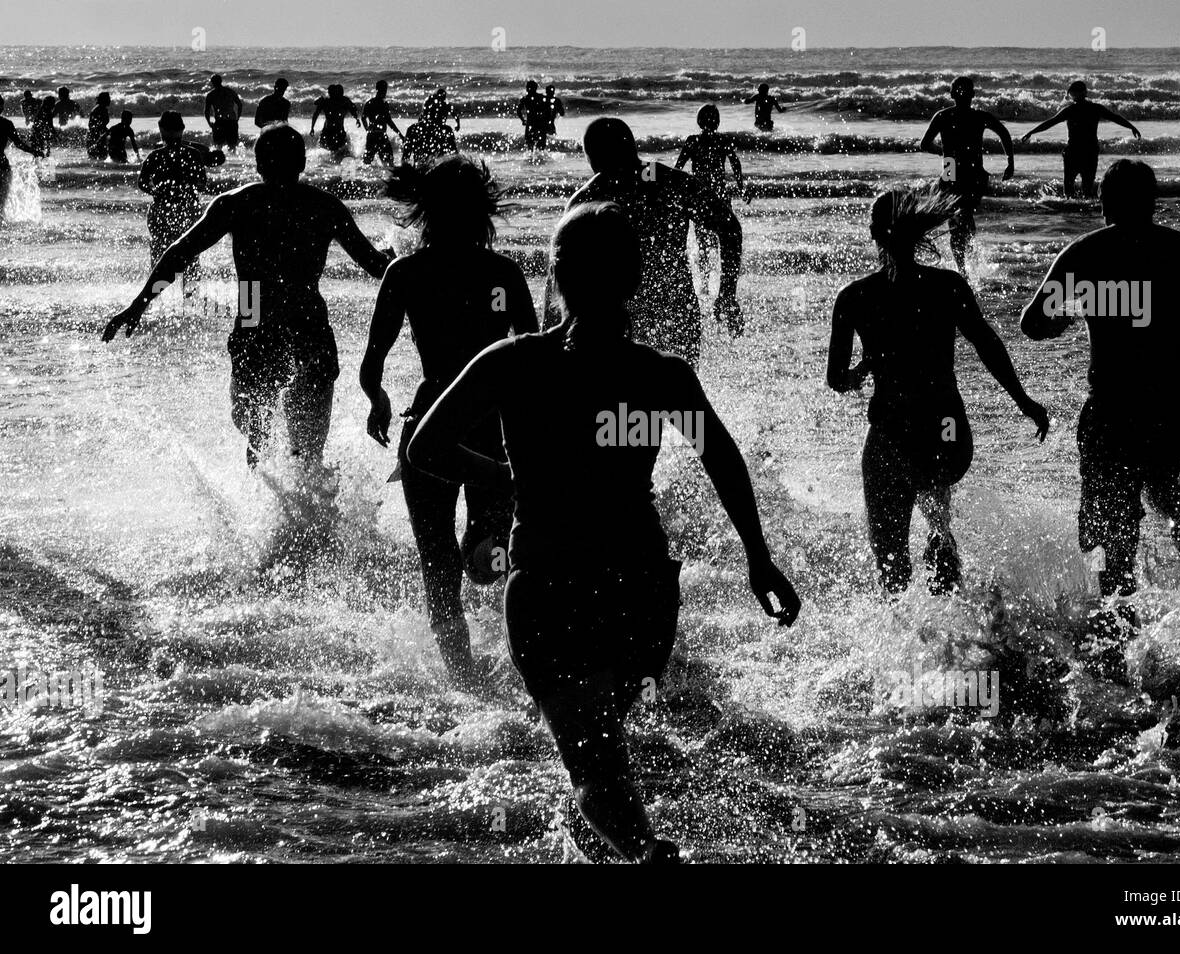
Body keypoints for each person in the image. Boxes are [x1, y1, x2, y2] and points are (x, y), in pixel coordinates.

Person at [406, 201, 801, 863]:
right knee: (600, 739)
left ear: (555, 278)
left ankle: (645, 852)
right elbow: (722, 460)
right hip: (639, 584)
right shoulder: (659, 374)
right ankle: (625, 844)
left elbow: (424, 447)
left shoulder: (511, 363)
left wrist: (503, 476)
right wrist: (758, 560)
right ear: (636, 278)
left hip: (549, 584)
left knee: (590, 762)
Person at [1020, 159, 1180, 680]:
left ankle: (1120, 649)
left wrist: (1063, 317)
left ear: (1104, 202)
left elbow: (1031, 323)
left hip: (1112, 410)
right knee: (1163, 502)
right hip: (1173, 409)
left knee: (1114, 532)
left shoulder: (1086, 253)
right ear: (1152, 201)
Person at [101, 125, 392, 470]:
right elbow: (377, 267)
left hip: (254, 308)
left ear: (257, 164)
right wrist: (403, 259)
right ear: (302, 162)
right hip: (307, 313)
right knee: (308, 447)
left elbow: (180, 252)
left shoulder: (237, 204)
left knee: (252, 422)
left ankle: (262, 481)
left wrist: (138, 306)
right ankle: (304, 493)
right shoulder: (325, 207)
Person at [360, 157, 537, 689]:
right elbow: (532, 356)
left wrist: (379, 403)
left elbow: (373, 362)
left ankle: (463, 682)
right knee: (489, 554)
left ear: (427, 212)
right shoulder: (502, 274)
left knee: (436, 565)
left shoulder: (405, 274)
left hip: (428, 424)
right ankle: (487, 561)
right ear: (482, 211)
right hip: (492, 429)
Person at [827, 187, 1048, 597]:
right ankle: (951, 590)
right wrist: (1024, 402)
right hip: (945, 426)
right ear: (916, 232)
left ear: (874, 234)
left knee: (890, 560)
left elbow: (836, 380)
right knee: (936, 511)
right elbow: (988, 345)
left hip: (891, 431)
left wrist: (864, 369)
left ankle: (915, 640)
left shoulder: (854, 298)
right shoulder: (947, 285)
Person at [545, 118, 743, 365]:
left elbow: (560, 269)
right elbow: (729, 227)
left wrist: (550, 336)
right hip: (677, 307)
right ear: (632, 147)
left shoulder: (587, 198)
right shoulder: (668, 180)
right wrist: (726, 293)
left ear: (592, 157)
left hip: (612, 318)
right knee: (676, 393)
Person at [919, 76, 1015, 275]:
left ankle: (963, 267)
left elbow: (924, 144)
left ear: (952, 94)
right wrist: (1010, 162)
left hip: (951, 166)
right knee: (963, 215)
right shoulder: (980, 116)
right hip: (972, 170)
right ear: (973, 94)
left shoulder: (943, 116)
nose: (962, 94)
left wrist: (943, 152)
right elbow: (1004, 133)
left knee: (957, 218)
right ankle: (967, 263)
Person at [138, 111, 224, 282]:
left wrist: (156, 191)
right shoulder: (192, 154)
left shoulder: (155, 155)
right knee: (190, 256)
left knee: (159, 256)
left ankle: (155, 300)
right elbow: (202, 182)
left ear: (160, 129)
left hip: (161, 209)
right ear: (183, 129)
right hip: (189, 208)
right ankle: (189, 301)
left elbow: (142, 183)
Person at [1020, 81, 1140, 198]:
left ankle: (1072, 214)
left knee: (1069, 189)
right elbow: (1115, 118)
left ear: (1074, 94)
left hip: (1074, 151)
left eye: (1073, 93)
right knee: (1087, 189)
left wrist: (1031, 132)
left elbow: (1050, 122)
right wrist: (1131, 127)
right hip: (1090, 151)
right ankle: (1084, 215)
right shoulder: (1095, 108)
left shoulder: (1070, 110)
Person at [675, 104, 748, 282]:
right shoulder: (723, 140)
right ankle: (725, 284)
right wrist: (741, 187)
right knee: (725, 238)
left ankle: (706, 282)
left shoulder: (693, 141)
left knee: (703, 242)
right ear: (718, 122)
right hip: (719, 195)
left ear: (699, 122)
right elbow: (735, 164)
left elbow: (678, 169)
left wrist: (675, 193)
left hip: (698, 196)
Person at [0, 97, 41, 219]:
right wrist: (34, 151)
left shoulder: (7, 124)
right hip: (2, 165)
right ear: (2, 108)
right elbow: (19, 144)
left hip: (3, 166)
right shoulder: (6, 124)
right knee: (1, 202)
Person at [311, 84, 360, 162]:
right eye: (329, 93)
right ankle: (331, 165)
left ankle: (335, 164)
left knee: (341, 151)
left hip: (338, 131)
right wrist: (312, 128)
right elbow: (315, 112)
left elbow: (353, 109)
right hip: (328, 131)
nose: (330, 94)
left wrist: (357, 119)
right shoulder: (325, 101)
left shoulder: (344, 101)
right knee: (332, 150)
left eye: (332, 92)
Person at [361, 80, 403, 166]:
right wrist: (400, 135)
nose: (384, 92)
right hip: (381, 136)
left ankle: (363, 179)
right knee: (389, 163)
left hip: (371, 136)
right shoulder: (384, 104)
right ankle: (389, 178)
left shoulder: (369, 103)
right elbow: (389, 122)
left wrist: (367, 130)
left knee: (367, 162)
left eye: (385, 89)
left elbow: (363, 118)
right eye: (384, 89)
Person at [402, 100, 457, 166]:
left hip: (418, 171)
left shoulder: (412, 129)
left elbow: (405, 159)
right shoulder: (446, 130)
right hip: (439, 172)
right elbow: (455, 156)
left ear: (423, 112)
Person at [204, 74, 244, 152]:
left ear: (212, 82)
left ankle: (221, 162)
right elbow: (239, 104)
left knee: (218, 146)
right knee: (232, 147)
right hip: (231, 122)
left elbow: (207, 111)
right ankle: (233, 162)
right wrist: (237, 118)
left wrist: (209, 122)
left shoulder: (211, 95)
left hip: (220, 122)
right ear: (221, 81)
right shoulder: (230, 92)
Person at [517, 80, 550, 152]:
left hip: (530, 124)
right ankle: (540, 159)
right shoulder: (541, 97)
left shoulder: (525, 99)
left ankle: (531, 159)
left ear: (527, 89)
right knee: (541, 147)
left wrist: (523, 120)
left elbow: (518, 111)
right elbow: (548, 109)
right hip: (540, 124)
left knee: (530, 147)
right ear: (535, 88)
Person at [86, 92, 112, 160]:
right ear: (104, 100)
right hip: (95, 137)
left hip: (96, 136)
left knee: (98, 160)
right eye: (108, 98)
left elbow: (98, 125)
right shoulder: (100, 109)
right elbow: (92, 125)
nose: (110, 100)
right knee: (99, 159)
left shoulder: (101, 108)